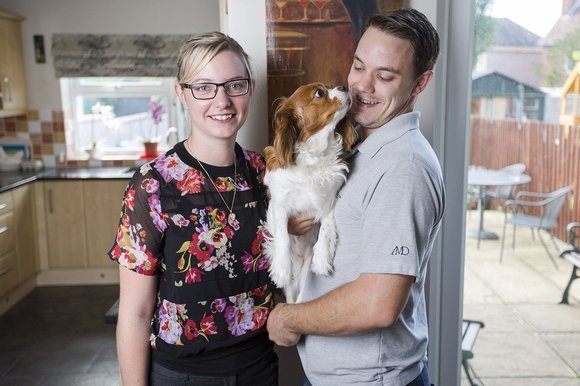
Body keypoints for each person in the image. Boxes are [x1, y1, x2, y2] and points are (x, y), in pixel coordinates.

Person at [266, 8, 445, 386]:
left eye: (384, 76)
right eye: (359, 66)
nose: (362, 86)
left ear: (419, 83)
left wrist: (288, 317)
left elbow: (377, 304)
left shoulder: (403, 168)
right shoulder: (361, 147)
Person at [108, 32, 278, 385]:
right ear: (181, 94)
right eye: (204, 87)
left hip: (259, 367)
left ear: (250, 88)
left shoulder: (265, 173)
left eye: (234, 85)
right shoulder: (153, 184)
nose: (222, 100)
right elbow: (135, 313)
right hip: (183, 374)